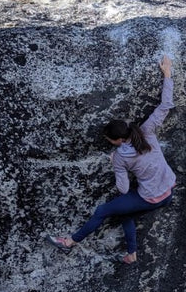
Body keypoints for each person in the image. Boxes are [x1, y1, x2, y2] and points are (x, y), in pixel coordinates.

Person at [47, 55, 176, 264]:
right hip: (168, 190)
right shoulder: (147, 131)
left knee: (104, 210)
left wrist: (114, 164)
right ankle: (131, 253)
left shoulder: (119, 157)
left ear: (117, 140)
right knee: (125, 210)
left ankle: (69, 242)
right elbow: (165, 105)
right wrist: (167, 73)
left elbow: (124, 189)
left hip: (151, 197)